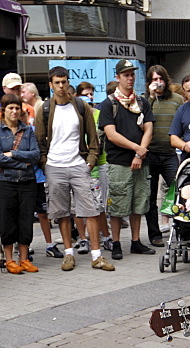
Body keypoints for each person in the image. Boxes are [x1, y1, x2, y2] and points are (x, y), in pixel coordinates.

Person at [35, 67, 111, 271]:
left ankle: (97, 255)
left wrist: (91, 161)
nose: (61, 86)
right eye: (57, 83)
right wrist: (45, 163)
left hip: (79, 164)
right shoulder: (44, 109)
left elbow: (93, 137)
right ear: (50, 85)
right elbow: (39, 140)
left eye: (64, 82)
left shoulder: (80, 105)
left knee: (91, 210)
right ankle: (68, 254)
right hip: (55, 165)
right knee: (62, 212)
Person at [98, 59, 156, 260]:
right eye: (125, 75)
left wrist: (140, 153)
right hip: (119, 161)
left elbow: (149, 128)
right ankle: (115, 243)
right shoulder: (108, 104)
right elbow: (111, 134)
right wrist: (136, 148)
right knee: (118, 205)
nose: (130, 78)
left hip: (141, 160)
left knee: (139, 202)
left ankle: (135, 241)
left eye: (132, 74)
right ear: (117, 77)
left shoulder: (142, 102)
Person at [0, 92, 40, 275]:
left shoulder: (27, 130)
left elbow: (35, 155)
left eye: (17, 108)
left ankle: (24, 259)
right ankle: (9, 259)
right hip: (5, 181)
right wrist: (23, 162)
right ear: (3, 111)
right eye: (10, 108)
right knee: (8, 220)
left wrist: (14, 154)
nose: (14, 111)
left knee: (26, 219)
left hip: (27, 181)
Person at [144, 65, 183, 247]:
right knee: (150, 197)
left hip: (170, 154)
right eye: (154, 80)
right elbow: (141, 121)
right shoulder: (144, 101)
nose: (158, 83)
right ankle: (155, 234)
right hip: (150, 153)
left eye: (160, 79)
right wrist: (151, 98)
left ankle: (183, 229)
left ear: (166, 81)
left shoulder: (177, 99)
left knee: (179, 191)